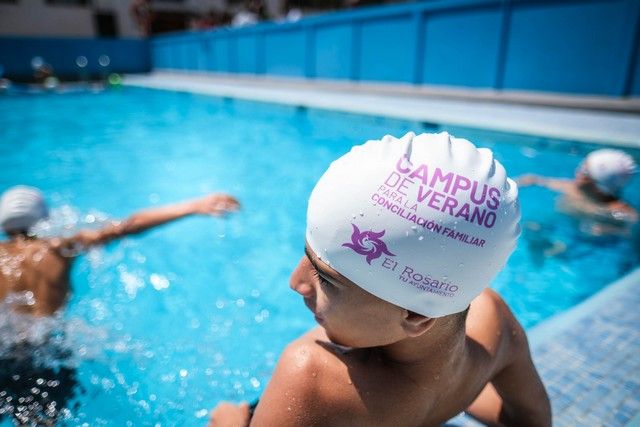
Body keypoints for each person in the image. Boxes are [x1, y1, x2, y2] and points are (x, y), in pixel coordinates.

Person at [209, 132, 551, 426]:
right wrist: (454, 396)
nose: (295, 281)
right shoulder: (492, 324)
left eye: (326, 279)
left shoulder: (312, 378)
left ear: (415, 315)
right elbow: (531, 420)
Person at [0, 186, 240, 317]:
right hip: (47, 349)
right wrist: (193, 206)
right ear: (44, 218)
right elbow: (128, 226)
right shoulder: (59, 247)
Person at [518, 148, 637, 236]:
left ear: (598, 185)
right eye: (581, 166)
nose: (577, 172)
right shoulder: (572, 187)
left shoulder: (614, 209)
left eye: (584, 172)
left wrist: (609, 230)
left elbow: (631, 227)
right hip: (563, 227)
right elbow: (532, 179)